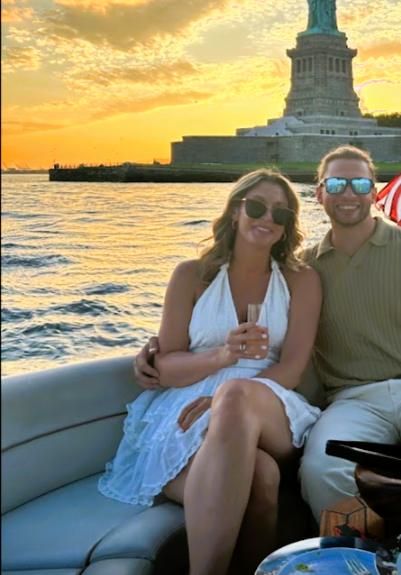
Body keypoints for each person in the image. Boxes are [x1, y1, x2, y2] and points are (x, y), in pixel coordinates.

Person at [135, 146, 401, 524]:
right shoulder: (302, 271)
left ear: (375, 192)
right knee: (322, 472)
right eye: (336, 183)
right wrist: (153, 350)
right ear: (320, 194)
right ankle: (358, 555)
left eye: (360, 184)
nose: (348, 194)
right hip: (352, 400)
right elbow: (242, 299)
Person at [101, 169, 322, 575]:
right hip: (187, 403)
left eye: (281, 213)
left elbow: (291, 368)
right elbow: (166, 366)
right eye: (256, 206)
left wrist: (223, 398)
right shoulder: (191, 275)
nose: (267, 218)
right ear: (235, 211)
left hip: (268, 398)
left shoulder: (301, 279)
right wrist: (222, 356)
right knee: (262, 476)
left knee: (236, 397)